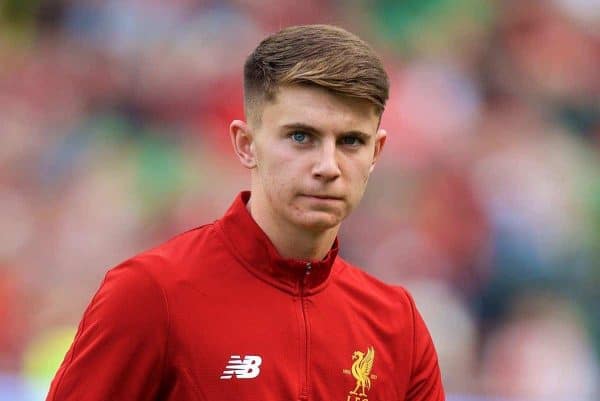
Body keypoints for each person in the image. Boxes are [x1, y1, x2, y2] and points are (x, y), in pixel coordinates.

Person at [46, 24, 445, 401]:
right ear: (246, 144)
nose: (328, 165)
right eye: (301, 137)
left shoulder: (397, 323)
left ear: (376, 153)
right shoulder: (151, 293)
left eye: (351, 141)